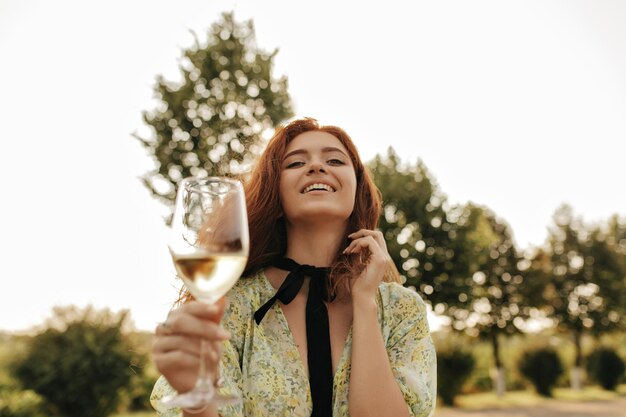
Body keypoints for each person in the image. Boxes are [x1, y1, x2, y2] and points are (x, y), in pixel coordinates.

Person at [151, 117, 437, 417]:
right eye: (295, 163)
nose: (316, 167)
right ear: (275, 189)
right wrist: (196, 401)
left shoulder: (402, 309)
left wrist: (365, 303)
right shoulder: (230, 304)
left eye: (335, 160)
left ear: (358, 186)